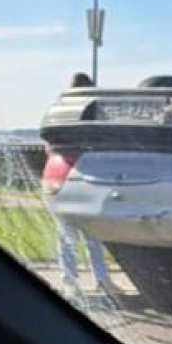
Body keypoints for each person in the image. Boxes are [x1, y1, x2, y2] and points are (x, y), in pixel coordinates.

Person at [56, 72, 118, 297]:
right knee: (89, 234)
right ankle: (100, 279)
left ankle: (72, 281)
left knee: (67, 234)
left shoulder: (60, 112)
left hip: (63, 177)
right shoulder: (92, 114)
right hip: (86, 176)